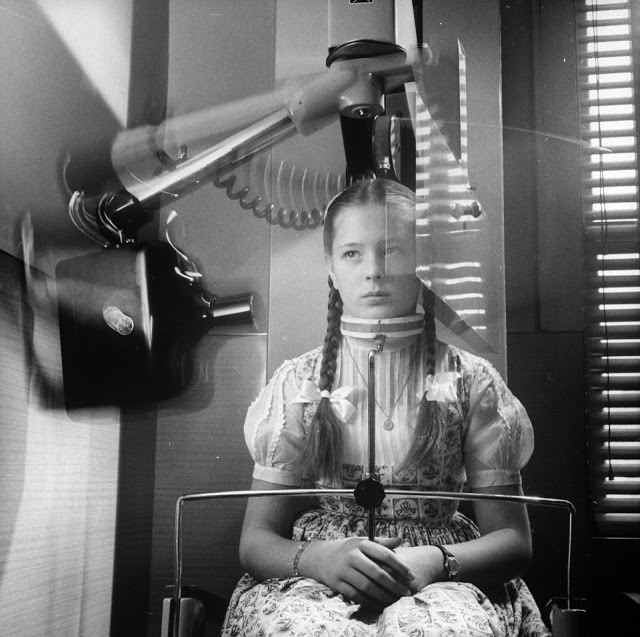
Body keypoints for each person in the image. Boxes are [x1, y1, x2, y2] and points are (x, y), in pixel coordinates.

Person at [221, 178, 550, 636]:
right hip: (321, 570)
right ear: (331, 268)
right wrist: (316, 558)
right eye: (353, 253)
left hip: (440, 573)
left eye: (393, 250)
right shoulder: (299, 383)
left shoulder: (471, 381)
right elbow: (256, 541)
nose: (374, 270)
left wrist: (436, 560)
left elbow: (514, 540)